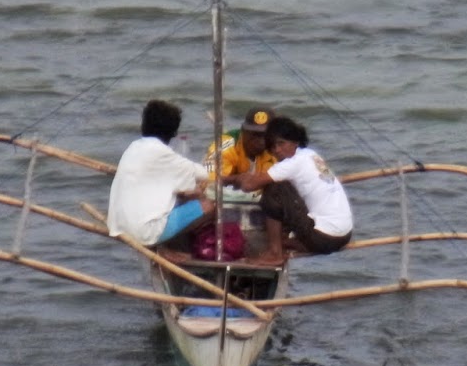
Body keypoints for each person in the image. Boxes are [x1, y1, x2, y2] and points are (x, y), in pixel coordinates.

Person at [233, 115, 353, 261]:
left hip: (324, 237)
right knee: (286, 188)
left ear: (295, 142)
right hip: (344, 236)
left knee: (275, 188)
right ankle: (289, 242)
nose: (277, 150)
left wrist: (238, 178)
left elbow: (248, 186)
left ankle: (275, 251)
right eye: (273, 147)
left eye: (281, 143)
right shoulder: (310, 154)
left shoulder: (291, 164)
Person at [107, 99, 214, 246]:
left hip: (117, 226)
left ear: (143, 126)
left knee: (177, 200)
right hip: (143, 232)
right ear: (173, 133)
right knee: (207, 206)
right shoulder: (163, 154)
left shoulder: (133, 147)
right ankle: (173, 247)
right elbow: (203, 174)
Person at [205, 106, 279, 179]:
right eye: (255, 134)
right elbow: (210, 181)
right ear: (243, 131)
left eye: (266, 135)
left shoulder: (278, 149)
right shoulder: (221, 149)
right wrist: (236, 179)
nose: (261, 141)